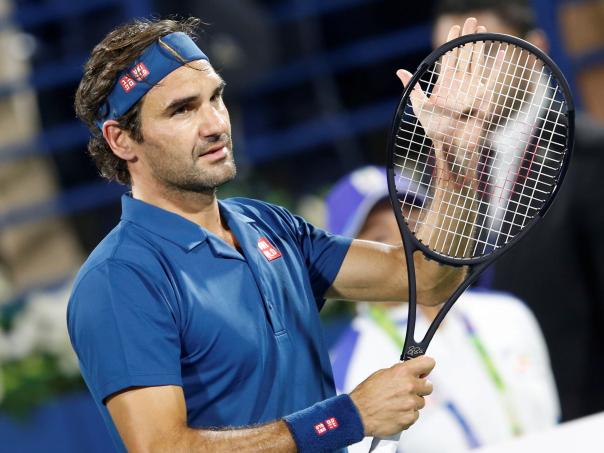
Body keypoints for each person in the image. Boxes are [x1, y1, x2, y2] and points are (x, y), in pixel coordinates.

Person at [67, 16, 494, 452]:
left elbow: (429, 278)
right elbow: (162, 448)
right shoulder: (119, 278)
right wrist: (346, 417)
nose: (214, 124)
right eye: (182, 110)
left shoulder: (270, 225)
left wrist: (454, 161)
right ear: (121, 140)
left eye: (215, 98)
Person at [433, 0, 604, 421]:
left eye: (486, 52)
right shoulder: (445, 175)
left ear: (536, 50)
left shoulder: (592, 156)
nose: (468, 74)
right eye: (451, 57)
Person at [325, 166, 560, 452]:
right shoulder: (346, 371)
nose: (405, 238)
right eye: (380, 237)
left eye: (412, 218)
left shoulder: (509, 313)